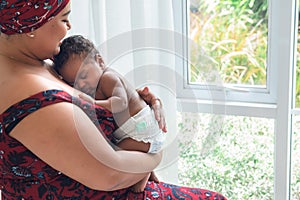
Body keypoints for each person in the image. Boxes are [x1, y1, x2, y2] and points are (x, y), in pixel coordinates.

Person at [0, 0, 227, 199]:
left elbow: (87, 95)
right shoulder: (32, 99)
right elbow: (110, 174)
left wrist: (134, 100)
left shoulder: (40, 64)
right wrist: (156, 153)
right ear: (32, 24)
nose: (69, 27)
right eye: (64, 18)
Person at [53, 35, 167, 192]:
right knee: (125, 163)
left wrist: (92, 103)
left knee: (114, 159)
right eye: (74, 83)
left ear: (100, 62)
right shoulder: (96, 81)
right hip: (134, 130)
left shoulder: (108, 78)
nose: (81, 84)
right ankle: (145, 176)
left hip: (140, 128)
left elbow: (121, 103)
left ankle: (143, 177)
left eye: (84, 76)